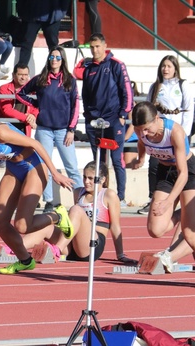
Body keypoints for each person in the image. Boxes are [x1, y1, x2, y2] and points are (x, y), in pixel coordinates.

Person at [0, 103, 74, 274]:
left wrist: (55, 173)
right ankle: (25, 260)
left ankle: (57, 215)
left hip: (34, 167)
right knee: (0, 223)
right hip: (14, 170)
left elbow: (35, 144)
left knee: (22, 226)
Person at [19, 161, 135, 263]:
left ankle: (57, 250)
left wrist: (120, 255)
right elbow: (73, 223)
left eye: (91, 178)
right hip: (73, 245)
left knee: (76, 210)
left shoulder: (108, 195)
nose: (86, 181)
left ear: (103, 179)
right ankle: (14, 248)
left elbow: (115, 226)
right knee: (48, 226)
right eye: (84, 177)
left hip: (93, 245)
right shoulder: (78, 192)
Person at [16, 47, 82, 213]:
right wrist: (37, 104)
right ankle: (49, 201)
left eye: (58, 57)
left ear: (63, 60)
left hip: (63, 131)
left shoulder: (69, 80)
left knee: (72, 167)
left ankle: (82, 200)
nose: (54, 60)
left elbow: (75, 105)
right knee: (45, 165)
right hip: (44, 129)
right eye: (52, 56)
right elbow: (21, 93)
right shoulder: (40, 79)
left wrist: (71, 129)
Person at [131, 102, 195, 248]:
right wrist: (140, 159)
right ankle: (182, 213)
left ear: (157, 118)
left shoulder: (174, 132)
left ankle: (187, 211)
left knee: (189, 234)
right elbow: (141, 143)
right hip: (165, 172)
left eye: (146, 129)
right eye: (140, 130)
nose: (143, 134)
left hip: (187, 173)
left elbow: (183, 173)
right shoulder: (140, 130)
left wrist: (168, 202)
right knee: (155, 230)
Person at [79, 33, 133, 205]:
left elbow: (127, 91)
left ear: (104, 46)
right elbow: (85, 95)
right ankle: (101, 195)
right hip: (94, 122)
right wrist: (88, 116)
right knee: (99, 162)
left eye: (97, 46)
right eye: (92, 47)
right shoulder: (88, 69)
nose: (95, 50)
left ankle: (121, 197)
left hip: (114, 119)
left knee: (117, 159)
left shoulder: (116, 65)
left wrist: (124, 114)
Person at [141, 55, 193, 214]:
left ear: (175, 68)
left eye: (169, 66)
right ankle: (153, 197)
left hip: (176, 133)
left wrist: (184, 132)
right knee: (155, 165)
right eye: (163, 66)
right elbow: (149, 109)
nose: (166, 69)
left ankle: (183, 199)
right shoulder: (155, 86)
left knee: (180, 166)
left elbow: (189, 109)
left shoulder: (183, 85)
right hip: (157, 133)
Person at [15, 0, 69, 66]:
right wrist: (21, 11)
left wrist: (62, 13)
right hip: (31, 16)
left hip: (52, 17)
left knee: (54, 47)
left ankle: (57, 72)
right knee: (26, 44)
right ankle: (21, 71)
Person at [0, 63, 38, 137]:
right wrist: (26, 118)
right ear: (13, 75)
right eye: (20, 74)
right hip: (7, 127)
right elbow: (6, 110)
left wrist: (33, 115)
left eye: (26, 75)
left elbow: (37, 106)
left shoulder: (32, 90)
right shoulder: (4, 88)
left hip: (25, 128)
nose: (23, 77)